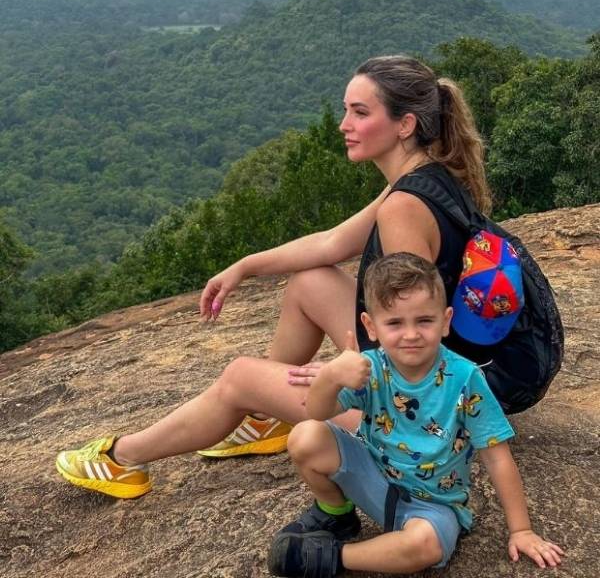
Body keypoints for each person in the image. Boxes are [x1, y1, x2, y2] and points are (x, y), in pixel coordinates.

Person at [56, 55, 492, 497]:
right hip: (442, 384)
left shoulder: (404, 207)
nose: (344, 123)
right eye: (346, 109)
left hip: (421, 418)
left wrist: (337, 374)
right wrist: (246, 266)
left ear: (405, 125)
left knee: (240, 377)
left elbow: (411, 337)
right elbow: (331, 244)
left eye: (360, 113)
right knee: (310, 281)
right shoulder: (425, 177)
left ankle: (123, 459)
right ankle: (269, 417)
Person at [268, 253, 564, 578]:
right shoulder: (370, 367)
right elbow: (317, 412)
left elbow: (497, 457)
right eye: (394, 323)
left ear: (446, 320)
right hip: (374, 479)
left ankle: (333, 556)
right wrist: (330, 378)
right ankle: (336, 514)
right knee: (306, 436)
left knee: (426, 545)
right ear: (371, 326)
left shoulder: (465, 379)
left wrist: (520, 530)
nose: (411, 334)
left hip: (433, 506)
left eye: (424, 320)